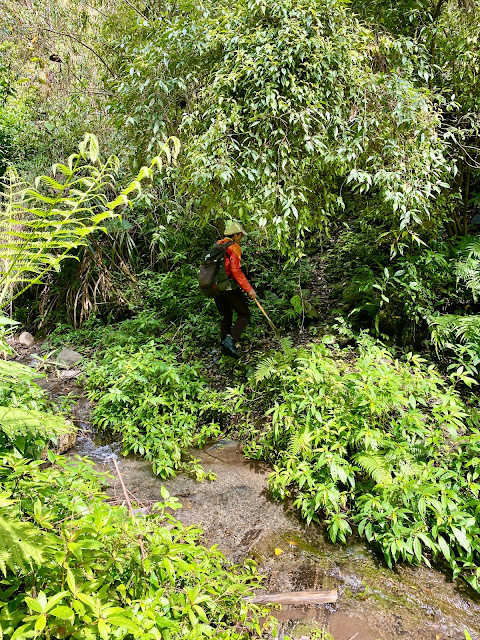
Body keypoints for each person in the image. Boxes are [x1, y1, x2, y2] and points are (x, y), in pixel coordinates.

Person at [215, 221, 256, 358]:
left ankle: (224, 349)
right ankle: (230, 341)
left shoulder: (218, 245)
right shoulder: (234, 247)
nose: (241, 238)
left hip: (215, 287)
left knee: (226, 316)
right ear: (235, 234)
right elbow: (235, 270)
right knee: (244, 314)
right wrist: (248, 289)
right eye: (240, 235)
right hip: (228, 287)